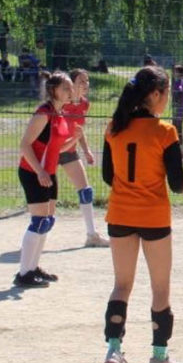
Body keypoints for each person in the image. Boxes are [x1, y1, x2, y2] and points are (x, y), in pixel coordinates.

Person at [100, 65, 183, 363]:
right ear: (154, 94)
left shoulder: (113, 128)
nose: (167, 99)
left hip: (120, 214)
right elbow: (176, 183)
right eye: (165, 93)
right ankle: (159, 357)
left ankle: (114, 351)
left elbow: (108, 176)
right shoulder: (165, 132)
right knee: (160, 288)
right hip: (153, 217)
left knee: (121, 285)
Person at [14, 71, 74, 288]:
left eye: (70, 87)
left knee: (47, 222)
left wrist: (73, 141)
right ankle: (23, 274)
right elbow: (25, 144)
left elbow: (55, 148)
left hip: (49, 172)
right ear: (53, 90)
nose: (70, 91)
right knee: (38, 221)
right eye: (65, 88)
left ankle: (33, 267)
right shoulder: (44, 113)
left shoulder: (60, 113)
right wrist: (39, 171)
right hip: (34, 172)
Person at [59, 68, 110, 247]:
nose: (86, 84)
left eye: (87, 81)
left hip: (68, 150)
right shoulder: (60, 104)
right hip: (51, 151)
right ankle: (36, 234)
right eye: (81, 81)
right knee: (46, 197)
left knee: (85, 191)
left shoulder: (84, 104)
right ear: (71, 84)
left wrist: (87, 151)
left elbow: (78, 131)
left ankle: (91, 235)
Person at [171, 66, 183, 148]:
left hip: (181, 107)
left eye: (175, 71)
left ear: (179, 73)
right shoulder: (177, 81)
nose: (174, 73)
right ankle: (176, 145)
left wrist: (175, 96)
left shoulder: (180, 82)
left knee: (178, 126)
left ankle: (181, 147)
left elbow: (179, 90)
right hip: (178, 107)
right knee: (174, 125)